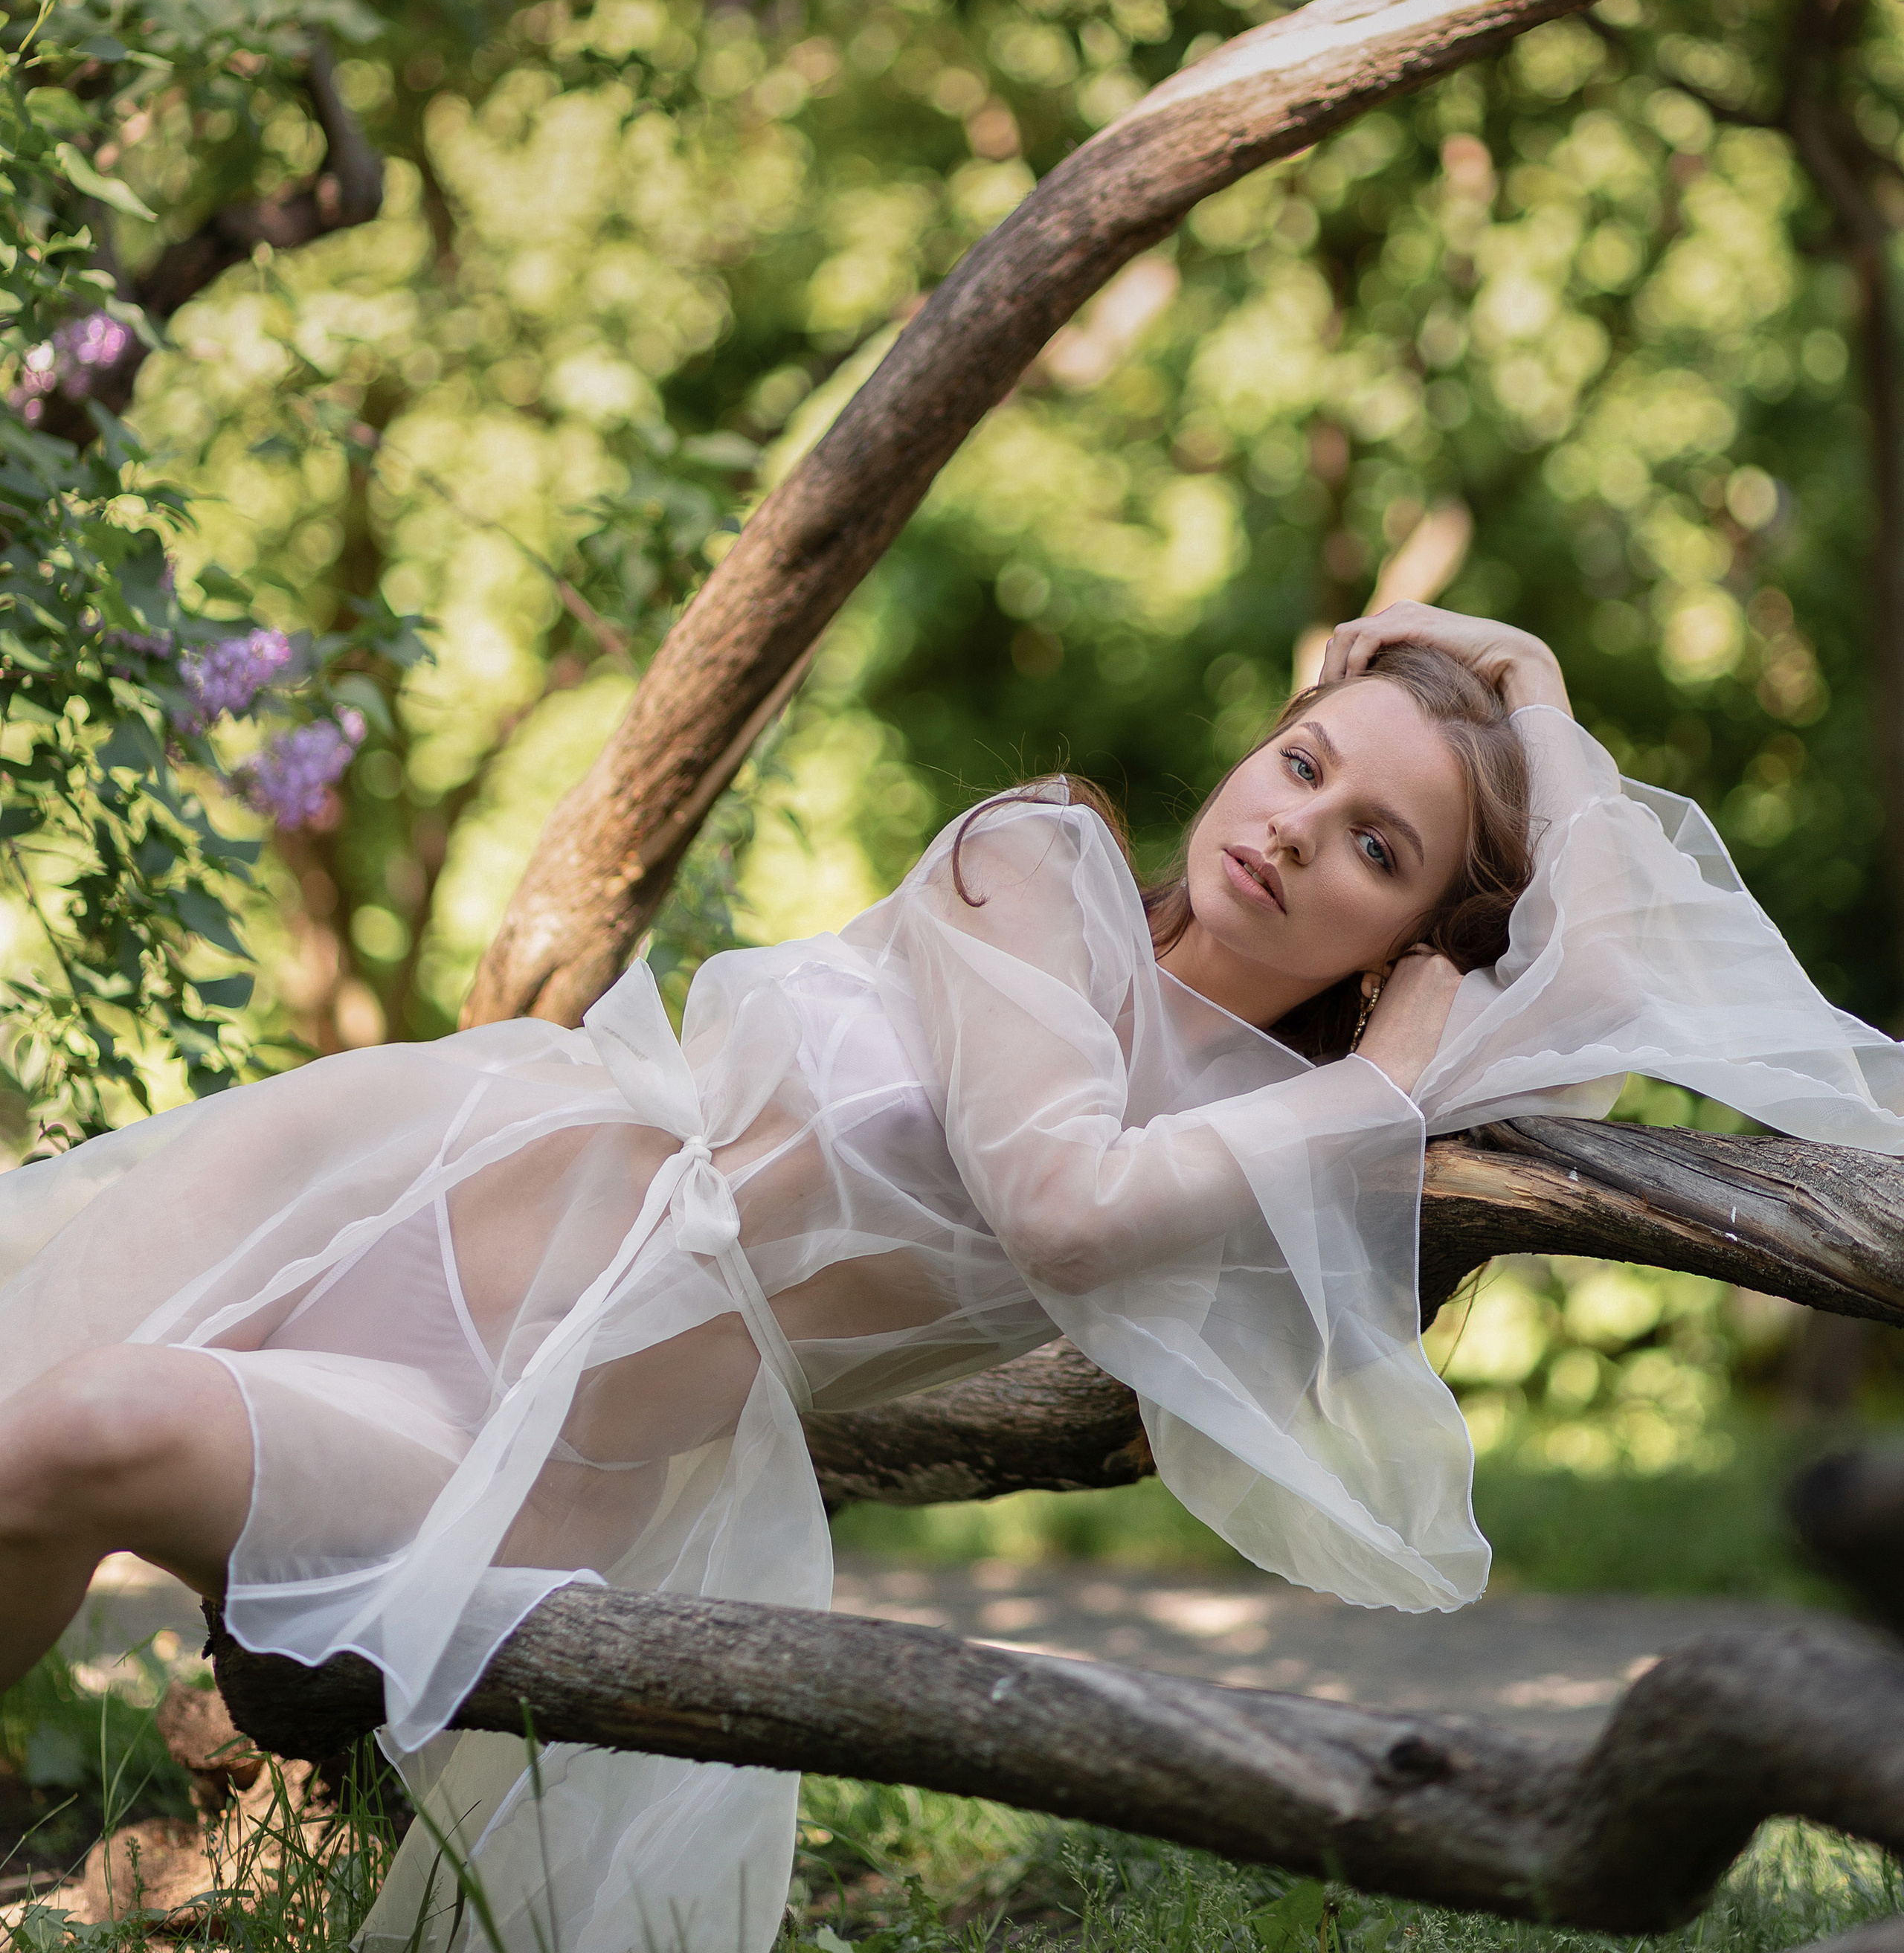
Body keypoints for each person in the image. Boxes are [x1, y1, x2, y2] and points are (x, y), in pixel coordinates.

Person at [0, 602, 1898, 1953]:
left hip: (506, 1446)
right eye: (1300, 760)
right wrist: (1521, 680)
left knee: (72, 1440)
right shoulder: (1035, 858)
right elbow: (1063, 1188)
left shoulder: (1277, 1136)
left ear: (1413, 937)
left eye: (1371, 846)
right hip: (382, 1191)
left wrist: (1406, 1055)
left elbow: (1603, 973)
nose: (1292, 824)